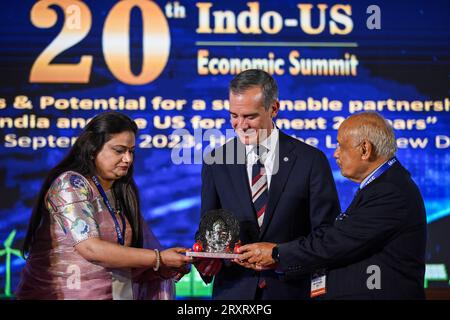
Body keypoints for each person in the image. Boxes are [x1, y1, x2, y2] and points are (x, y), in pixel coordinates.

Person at [237, 112, 427, 299]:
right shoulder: (382, 186)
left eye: (341, 146)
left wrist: (277, 253)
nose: (335, 153)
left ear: (365, 149)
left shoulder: (390, 191)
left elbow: (335, 243)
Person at [196, 69, 340, 299]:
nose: (240, 125)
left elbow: (327, 235)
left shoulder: (310, 160)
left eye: (249, 116)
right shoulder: (216, 161)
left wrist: (279, 255)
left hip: (291, 292)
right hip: (234, 295)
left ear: (273, 108)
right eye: (234, 115)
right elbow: (208, 227)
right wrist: (206, 256)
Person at [17, 112, 192, 300]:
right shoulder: (70, 184)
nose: (128, 159)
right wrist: (158, 258)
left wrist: (162, 268)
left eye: (131, 151)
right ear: (93, 149)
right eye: (119, 150)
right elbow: (91, 249)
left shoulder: (122, 192)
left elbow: (124, 265)